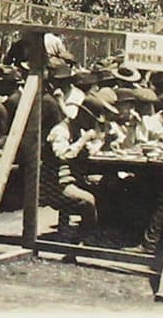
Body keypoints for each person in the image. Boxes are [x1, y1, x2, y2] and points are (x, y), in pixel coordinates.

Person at [46, 94, 116, 240]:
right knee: (88, 200)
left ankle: (86, 237)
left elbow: (87, 152)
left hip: (71, 178)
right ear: (83, 115)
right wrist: (83, 140)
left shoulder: (77, 130)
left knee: (106, 189)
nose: (92, 124)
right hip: (53, 183)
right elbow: (63, 155)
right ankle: (80, 242)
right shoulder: (61, 130)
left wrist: (103, 143)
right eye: (91, 119)